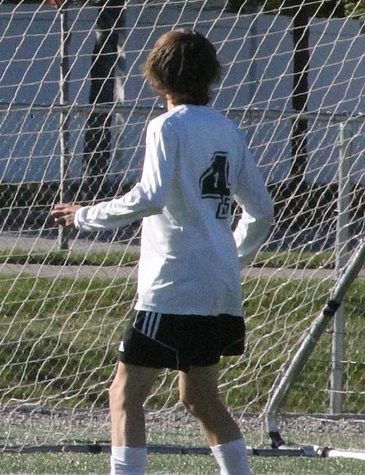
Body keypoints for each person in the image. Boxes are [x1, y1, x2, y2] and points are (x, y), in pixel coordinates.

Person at [50, 28, 274, 475]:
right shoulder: (227, 128)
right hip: (218, 287)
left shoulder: (166, 126)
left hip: (173, 285)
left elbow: (149, 197)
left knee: (124, 395)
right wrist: (232, 257)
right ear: (211, 76)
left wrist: (84, 215)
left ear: (156, 77)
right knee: (200, 398)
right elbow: (262, 211)